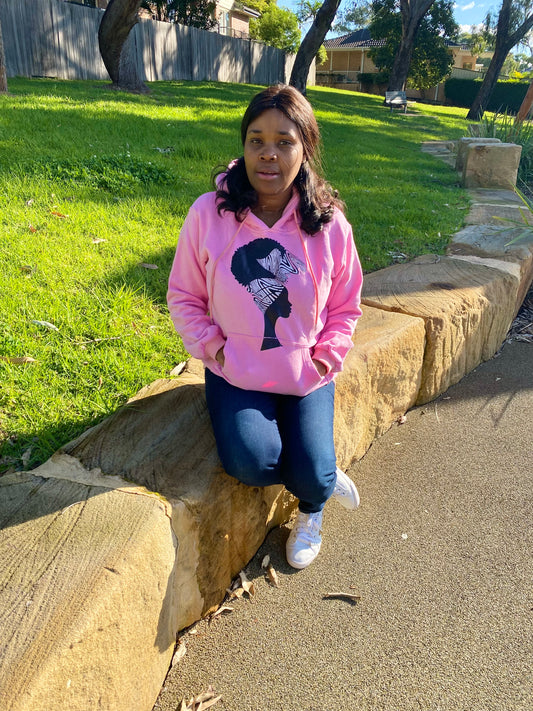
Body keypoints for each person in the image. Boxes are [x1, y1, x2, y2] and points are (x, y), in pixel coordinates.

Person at [167, 84, 363, 569]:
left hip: (306, 374)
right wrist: (215, 350)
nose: (268, 154)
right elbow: (184, 296)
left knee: (313, 472)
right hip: (237, 372)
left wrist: (325, 358)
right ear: (244, 145)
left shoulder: (330, 224)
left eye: (284, 141)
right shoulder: (208, 214)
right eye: (256, 140)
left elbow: (345, 306)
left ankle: (314, 500)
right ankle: (317, 474)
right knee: (251, 463)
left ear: (306, 148)